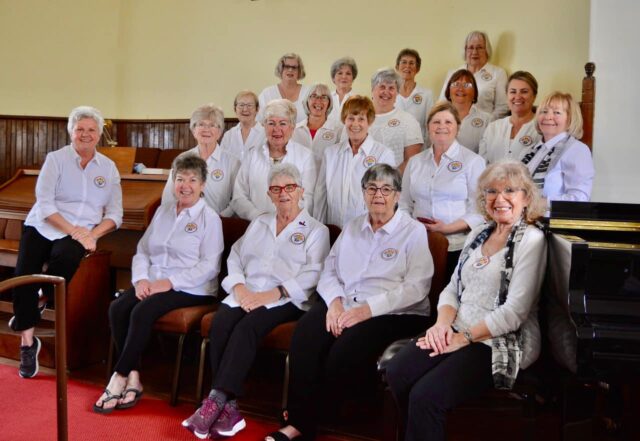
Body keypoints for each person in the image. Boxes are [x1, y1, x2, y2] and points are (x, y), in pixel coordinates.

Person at [266, 164, 434, 441]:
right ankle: (298, 423)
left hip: (393, 312)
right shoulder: (354, 226)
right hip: (344, 303)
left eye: (386, 189)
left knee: (343, 353)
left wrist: (367, 310)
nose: (378, 194)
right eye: (371, 188)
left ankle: (330, 416)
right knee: (306, 336)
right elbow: (329, 270)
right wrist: (333, 303)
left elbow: (417, 288)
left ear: (397, 195)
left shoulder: (413, 231)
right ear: (364, 194)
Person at [386, 160, 548, 441]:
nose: (500, 199)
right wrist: (441, 326)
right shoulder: (479, 233)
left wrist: (464, 338)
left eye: (510, 190)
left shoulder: (531, 240)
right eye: (491, 192)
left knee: (426, 396)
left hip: (500, 339)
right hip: (457, 326)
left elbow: (514, 313)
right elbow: (452, 288)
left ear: (526, 197)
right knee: (398, 371)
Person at [182, 164, 330, 439]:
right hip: (246, 293)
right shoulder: (259, 223)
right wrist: (238, 288)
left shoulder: (315, 230)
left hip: (286, 300)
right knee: (221, 323)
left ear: (301, 191)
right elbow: (235, 257)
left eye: (289, 188)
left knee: (247, 328)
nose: (283, 193)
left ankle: (215, 399)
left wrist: (271, 295)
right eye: (276, 189)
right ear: (269, 194)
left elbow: (314, 273)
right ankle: (230, 408)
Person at [94, 155, 223, 414]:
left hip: (191, 288)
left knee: (142, 311)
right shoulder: (163, 211)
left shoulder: (210, 218)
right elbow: (143, 249)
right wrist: (141, 279)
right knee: (118, 308)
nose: (185, 185)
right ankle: (134, 377)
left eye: (192, 180)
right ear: (172, 182)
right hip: (152, 282)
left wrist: (170, 282)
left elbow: (210, 266)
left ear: (203, 185)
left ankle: (118, 377)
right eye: (180, 179)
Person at [10, 105, 122, 379]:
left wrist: (92, 235)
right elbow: (45, 204)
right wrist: (75, 231)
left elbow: (115, 214)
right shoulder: (56, 159)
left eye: (91, 130)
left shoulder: (108, 168)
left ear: (99, 134)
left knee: (67, 257)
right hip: (44, 225)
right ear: (71, 132)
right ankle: (27, 342)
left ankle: (42, 298)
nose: (85, 134)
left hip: (82, 232)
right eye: (79, 129)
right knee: (24, 275)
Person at [400, 102, 486, 280]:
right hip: (418, 244)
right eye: (436, 122)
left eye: (448, 122)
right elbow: (404, 203)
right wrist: (413, 229)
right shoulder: (415, 162)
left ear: (457, 127)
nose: (442, 127)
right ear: (428, 127)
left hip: (456, 247)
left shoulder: (473, 161)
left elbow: (479, 211)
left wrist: (446, 228)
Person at [313, 95, 396, 227]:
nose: (355, 124)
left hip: (366, 233)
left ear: (369, 122)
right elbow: (320, 196)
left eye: (361, 119)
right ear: (344, 121)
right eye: (351, 118)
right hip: (333, 232)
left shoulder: (383, 155)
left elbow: (387, 200)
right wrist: (319, 229)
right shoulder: (331, 153)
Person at [232, 99, 317, 221]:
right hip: (256, 224)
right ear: (264, 126)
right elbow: (238, 196)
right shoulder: (252, 155)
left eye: (282, 123)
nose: (276, 129)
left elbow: (308, 198)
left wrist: (284, 219)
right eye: (271, 123)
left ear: (292, 127)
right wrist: (257, 217)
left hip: (292, 226)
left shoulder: (306, 156)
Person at [161, 103, 240, 216]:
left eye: (212, 125)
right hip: (184, 220)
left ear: (219, 132)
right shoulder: (182, 158)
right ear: (193, 130)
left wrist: (220, 218)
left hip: (219, 221)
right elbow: (169, 196)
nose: (206, 129)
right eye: (201, 124)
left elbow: (237, 199)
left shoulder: (233, 162)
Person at [520, 91, 594, 207]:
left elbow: (579, 199)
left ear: (570, 119)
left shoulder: (577, 150)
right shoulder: (532, 151)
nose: (548, 117)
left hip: (553, 221)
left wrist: (537, 203)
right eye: (544, 111)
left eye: (557, 112)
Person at [439, 31, 508, 119]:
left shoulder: (498, 73)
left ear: (487, 50)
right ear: (465, 51)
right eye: (471, 48)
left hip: (485, 128)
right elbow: (442, 104)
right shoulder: (453, 73)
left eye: (479, 48)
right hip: (455, 126)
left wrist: (485, 123)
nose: (475, 52)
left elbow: (503, 107)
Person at [368, 68, 424, 173]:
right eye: (382, 87)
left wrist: (388, 183)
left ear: (397, 93)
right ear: (372, 90)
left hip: (394, 185)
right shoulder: (359, 119)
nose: (386, 92)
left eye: (391, 88)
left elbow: (412, 160)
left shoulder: (408, 120)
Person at [480, 71, 541, 164]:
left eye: (524, 92)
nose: (518, 96)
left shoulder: (542, 129)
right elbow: (481, 164)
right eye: (513, 92)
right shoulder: (493, 127)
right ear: (507, 95)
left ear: (534, 96)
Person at [291, 84, 343, 167]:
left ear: (329, 103)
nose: (318, 101)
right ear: (307, 101)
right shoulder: (294, 130)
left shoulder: (338, 130)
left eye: (324, 97)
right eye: (314, 96)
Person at [444, 69, 493, 153]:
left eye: (466, 85)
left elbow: (487, 154)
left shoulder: (487, 119)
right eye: (456, 84)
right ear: (448, 91)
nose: (460, 89)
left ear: (475, 92)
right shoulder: (437, 116)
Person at [258, 53, 309, 124]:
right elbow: (259, 121)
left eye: (294, 67)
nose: (290, 70)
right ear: (280, 69)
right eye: (286, 66)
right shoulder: (267, 93)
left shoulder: (309, 93)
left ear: (299, 71)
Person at [394, 48, 434, 140]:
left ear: (417, 69)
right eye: (404, 62)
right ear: (397, 66)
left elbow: (430, 125)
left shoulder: (427, 94)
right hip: (393, 148)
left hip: (419, 149)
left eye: (411, 63)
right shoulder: (389, 94)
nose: (407, 66)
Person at [220, 91, 266, 161]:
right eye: (241, 105)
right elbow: (222, 161)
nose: (245, 109)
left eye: (250, 105)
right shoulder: (229, 135)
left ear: (257, 109)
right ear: (235, 109)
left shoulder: (265, 134)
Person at [327, 57, 358, 122]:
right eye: (340, 73)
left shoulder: (358, 100)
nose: (344, 77)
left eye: (348, 73)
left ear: (353, 78)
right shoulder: (326, 98)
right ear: (333, 78)